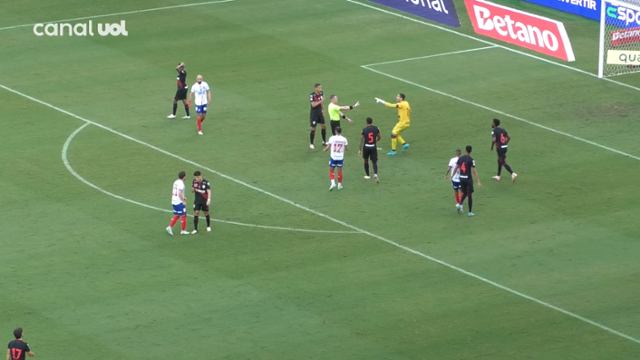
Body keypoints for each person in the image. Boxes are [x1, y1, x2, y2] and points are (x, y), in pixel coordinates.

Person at [453, 146, 482, 217]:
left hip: (461, 178)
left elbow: (456, 167)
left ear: (465, 150)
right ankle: (469, 212)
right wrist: (478, 181)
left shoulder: (460, 158)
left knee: (465, 192)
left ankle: (460, 204)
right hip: (468, 179)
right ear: (471, 151)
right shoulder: (471, 160)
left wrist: (452, 176)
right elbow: (474, 171)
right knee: (469, 195)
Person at [166, 171, 190, 235]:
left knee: (178, 214)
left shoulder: (176, 182)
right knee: (184, 215)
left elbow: (175, 192)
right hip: (178, 202)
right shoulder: (181, 184)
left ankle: (170, 227)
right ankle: (183, 230)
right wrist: (183, 201)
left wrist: (182, 197)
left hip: (174, 201)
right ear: (184, 177)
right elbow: (179, 193)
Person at [358, 117, 381, 183]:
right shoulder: (376, 128)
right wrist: (375, 141)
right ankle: (375, 174)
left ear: (366, 122)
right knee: (374, 161)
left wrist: (360, 150)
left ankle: (368, 175)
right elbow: (379, 137)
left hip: (366, 147)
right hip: (373, 146)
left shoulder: (364, 130)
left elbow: (361, 140)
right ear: (372, 122)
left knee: (366, 160)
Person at [309, 84, 326, 149]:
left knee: (324, 126)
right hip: (314, 114)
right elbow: (313, 105)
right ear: (316, 88)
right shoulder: (312, 95)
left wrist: (323, 109)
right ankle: (311, 143)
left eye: (321, 88)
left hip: (320, 113)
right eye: (319, 88)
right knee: (314, 128)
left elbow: (320, 103)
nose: (320, 89)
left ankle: (324, 141)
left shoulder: (321, 93)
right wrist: (321, 101)